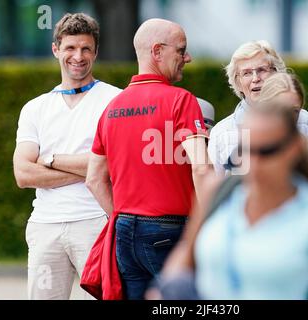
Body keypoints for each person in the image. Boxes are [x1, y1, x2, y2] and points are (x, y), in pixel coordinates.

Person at [153, 104, 308, 300]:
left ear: (293, 150)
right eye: (246, 151)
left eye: (267, 152)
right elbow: (186, 255)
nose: (254, 163)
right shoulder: (220, 191)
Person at [85, 18, 210, 300]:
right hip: (169, 231)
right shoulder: (182, 100)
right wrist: (210, 223)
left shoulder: (111, 108)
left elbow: (94, 179)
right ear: (157, 51)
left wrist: (125, 215)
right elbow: (201, 168)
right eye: (181, 50)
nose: (186, 58)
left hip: (124, 232)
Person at [13, 13, 121, 300]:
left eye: (86, 48)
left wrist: (49, 159)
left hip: (96, 222)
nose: (78, 56)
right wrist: (89, 166)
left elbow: (114, 165)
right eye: (70, 48)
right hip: (46, 226)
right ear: (56, 50)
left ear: (96, 52)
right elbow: (23, 175)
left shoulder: (115, 101)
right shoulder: (35, 109)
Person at [208, 40, 308, 194]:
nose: (256, 78)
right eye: (247, 73)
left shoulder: (304, 120)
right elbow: (215, 195)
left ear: (276, 73)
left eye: (262, 70)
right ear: (238, 81)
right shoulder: (221, 132)